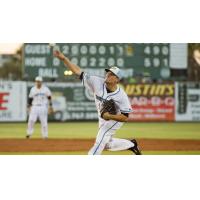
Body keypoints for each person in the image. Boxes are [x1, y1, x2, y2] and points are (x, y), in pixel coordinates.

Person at [54, 50, 142, 155]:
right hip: (103, 118)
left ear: (117, 79)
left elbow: (125, 117)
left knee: (100, 141)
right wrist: (64, 58)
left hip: (115, 120)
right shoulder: (96, 82)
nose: (108, 75)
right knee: (107, 144)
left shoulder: (121, 96)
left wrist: (109, 116)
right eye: (108, 72)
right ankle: (131, 144)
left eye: (111, 74)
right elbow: (78, 71)